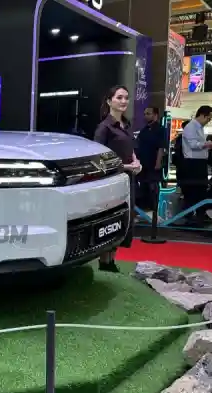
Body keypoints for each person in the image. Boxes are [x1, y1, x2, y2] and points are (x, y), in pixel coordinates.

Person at [93, 85, 140, 273]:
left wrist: (136, 162)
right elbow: (98, 159)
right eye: (119, 97)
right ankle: (104, 262)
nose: (123, 101)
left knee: (124, 218)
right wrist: (126, 167)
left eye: (126, 98)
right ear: (109, 101)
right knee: (109, 221)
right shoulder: (104, 128)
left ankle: (112, 260)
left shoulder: (126, 125)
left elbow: (130, 149)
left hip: (127, 180)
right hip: (110, 181)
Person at [180, 106, 212, 225]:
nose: (209, 121)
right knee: (192, 190)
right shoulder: (191, 127)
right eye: (208, 118)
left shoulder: (199, 128)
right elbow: (194, 145)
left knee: (201, 190)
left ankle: (200, 215)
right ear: (202, 115)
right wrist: (211, 143)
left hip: (200, 163)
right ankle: (188, 216)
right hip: (192, 163)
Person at [136, 106, 167, 213]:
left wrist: (158, 163)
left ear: (155, 115)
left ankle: (153, 209)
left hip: (153, 163)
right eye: (145, 114)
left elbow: (161, 147)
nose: (145, 116)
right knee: (143, 186)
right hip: (143, 163)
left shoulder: (160, 130)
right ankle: (144, 209)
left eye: (148, 114)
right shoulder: (144, 130)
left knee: (153, 187)